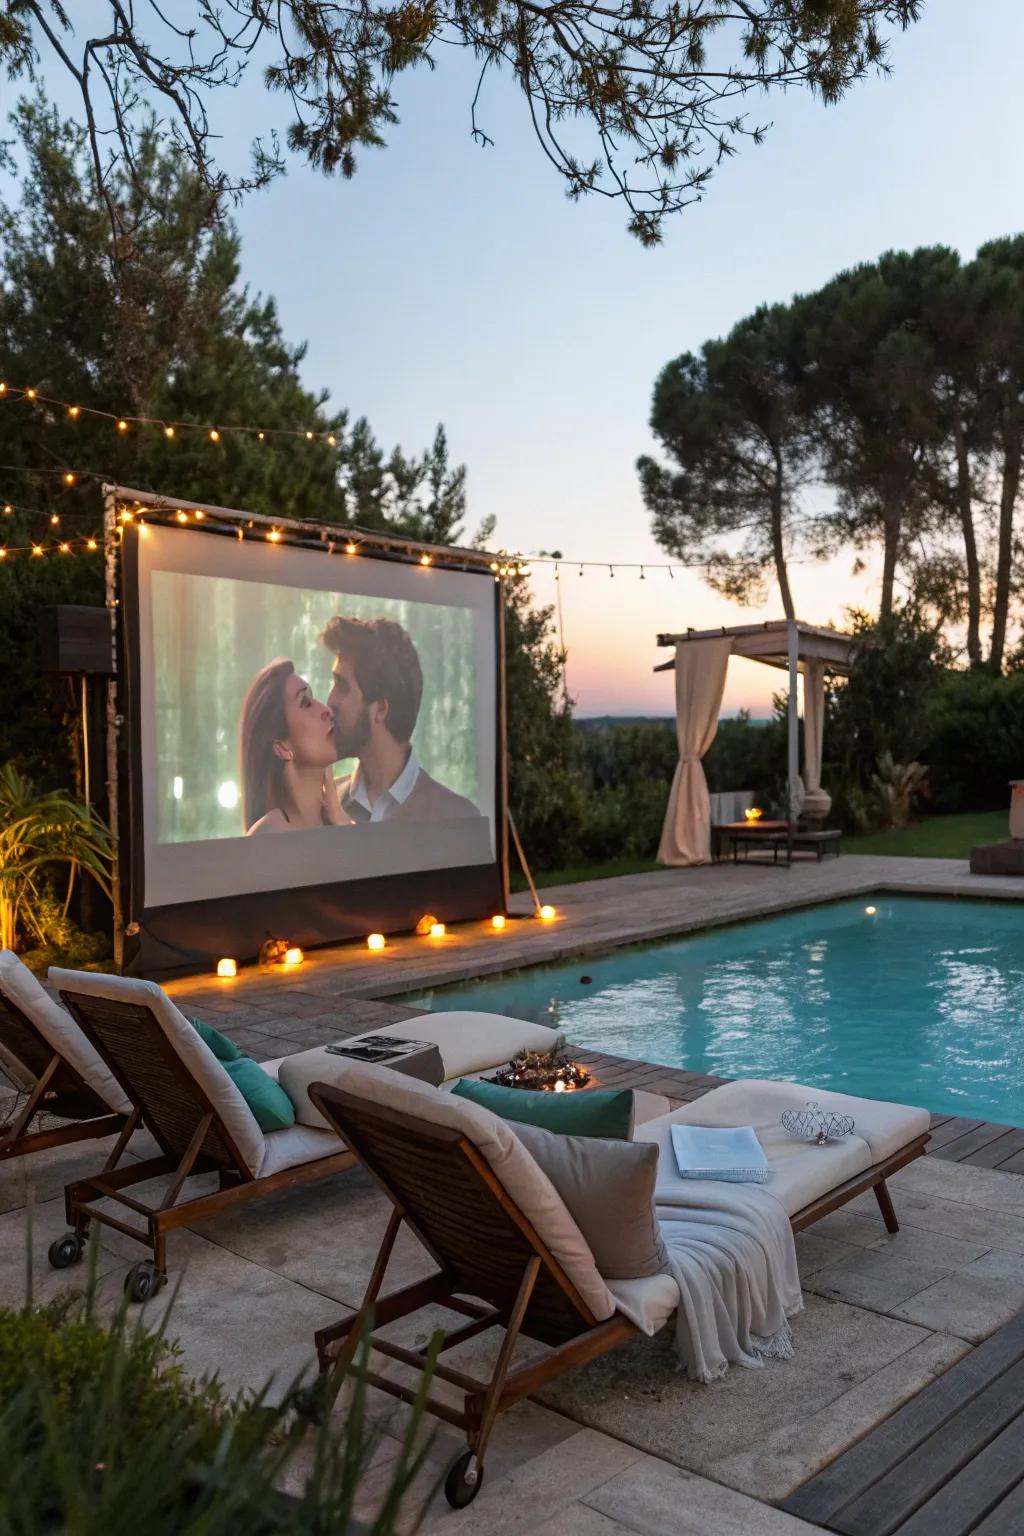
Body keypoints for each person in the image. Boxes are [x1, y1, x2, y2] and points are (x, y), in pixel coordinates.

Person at [321, 615, 479, 822]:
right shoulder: (322, 809)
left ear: (381, 709)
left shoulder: (458, 819)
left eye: (342, 686)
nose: (329, 702)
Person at [239, 658, 349, 834]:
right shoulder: (270, 834)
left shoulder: (343, 815)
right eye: (305, 702)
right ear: (281, 748)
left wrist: (340, 819)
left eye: (314, 698)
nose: (326, 709)